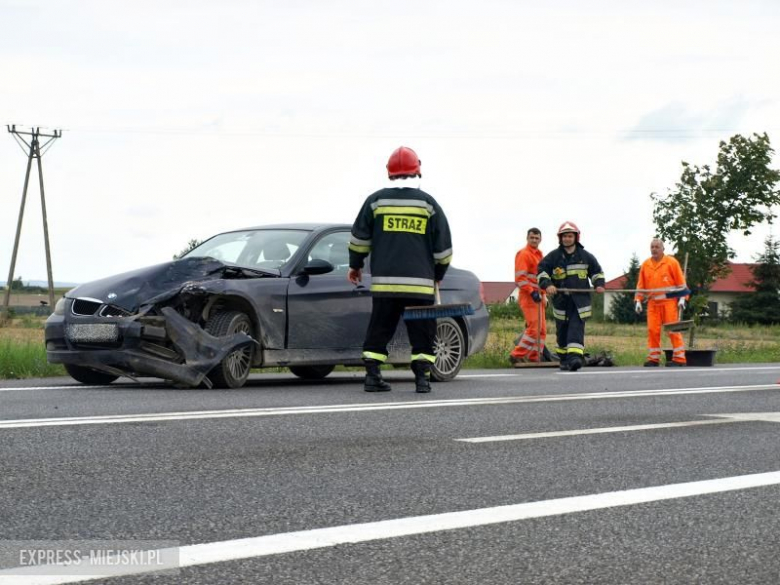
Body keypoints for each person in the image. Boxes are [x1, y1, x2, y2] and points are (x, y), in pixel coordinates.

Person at [348, 146, 453, 393]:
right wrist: (438, 275)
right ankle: (422, 380)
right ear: (418, 170)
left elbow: (358, 239)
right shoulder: (428, 204)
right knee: (422, 332)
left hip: (385, 285)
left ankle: (373, 377)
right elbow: (444, 250)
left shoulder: (376, 201)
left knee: (380, 328)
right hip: (419, 287)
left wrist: (355, 265)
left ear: (389, 172)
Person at [537, 221, 605, 371]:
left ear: (576, 237)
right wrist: (548, 284)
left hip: (579, 302)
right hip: (561, 302)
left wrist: (599, 284)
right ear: (560, 238)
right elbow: (541, 271)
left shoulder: (585, 256)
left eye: (569, 236)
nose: (567, 239)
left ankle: (575, 358)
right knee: (562, 331)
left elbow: (597, 272)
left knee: (575, 328)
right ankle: (564, 359)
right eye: (564, 236)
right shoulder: (553, 257)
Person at [634, 238, 688, 367]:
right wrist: (638, 301)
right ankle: (653, 359)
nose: (654, 249)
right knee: (653, 330)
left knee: (673, 330)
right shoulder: (645, 265)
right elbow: (641, 286)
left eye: (657, 247)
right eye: (652, 247)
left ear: (663, 249)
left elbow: (681, 283)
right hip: (653, 303)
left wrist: (682, 299)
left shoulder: (671, 263)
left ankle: (679, 359)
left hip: (669, 302)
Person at [509, 228, 547, 364]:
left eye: (537, 238)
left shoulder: (539, 255)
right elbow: (520, 278)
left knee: (542, 330)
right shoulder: (524, 254)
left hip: (539, 296)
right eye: (532, 238)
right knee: (534, 328)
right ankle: (516, 355)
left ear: (540, 240)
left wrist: (544, 295)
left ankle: (535, 357)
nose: (534, 240)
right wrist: (532, 291)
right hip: (529, 296)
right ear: (527, 238)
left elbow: (541, 278)